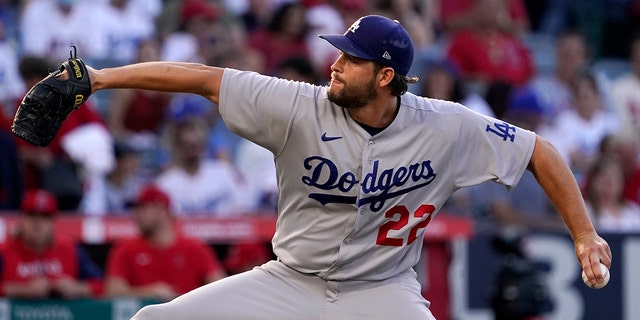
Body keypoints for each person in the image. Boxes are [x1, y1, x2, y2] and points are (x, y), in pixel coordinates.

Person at [55, 14, 610, 320]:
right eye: (338, 53)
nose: (334, 65)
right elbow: (201, 76)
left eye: (350, 59)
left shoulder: (445, 125)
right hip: (289, 280)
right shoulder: (297, 103)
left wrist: (584, 234)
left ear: (386, 76)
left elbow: (540, 150)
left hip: (382, 290)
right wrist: (102, 79)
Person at [104, 184, 227, 301]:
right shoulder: (125, 248)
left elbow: (220, 286)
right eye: (136, 209)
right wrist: (148, 293)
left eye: (143, 208)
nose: (136, 215)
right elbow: (112, 291)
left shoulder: (193, 247)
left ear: (162, 210)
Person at [0, 189, 104, 299]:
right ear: (21, 219)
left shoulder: (70, 249)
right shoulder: (4, 251)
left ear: (53, 223)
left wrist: (77, 288)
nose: (37, 224)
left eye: (44, 217)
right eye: (32, 216)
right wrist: (21, 290)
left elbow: (103, 285)